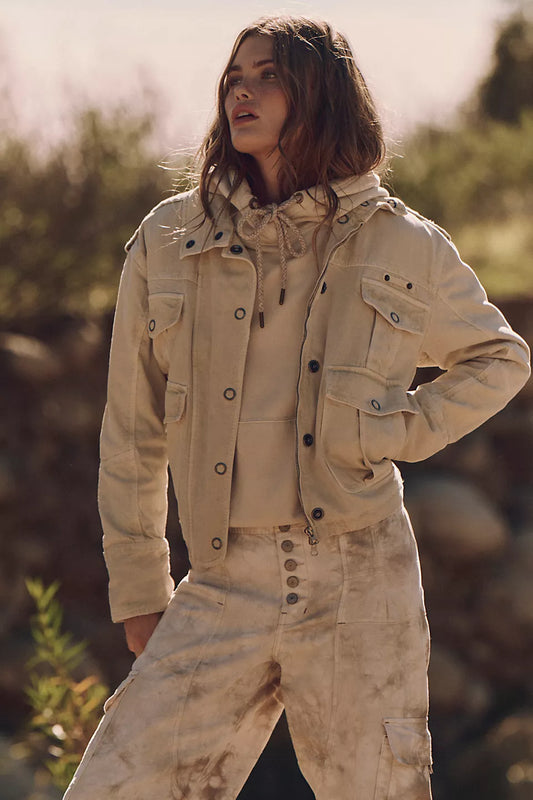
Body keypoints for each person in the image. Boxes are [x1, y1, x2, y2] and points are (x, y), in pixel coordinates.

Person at [63, 15, 530, 800]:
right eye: (232, 78)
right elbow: (133, 429)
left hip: (359, 575)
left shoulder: (402, 243)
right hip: (222, 575)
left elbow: (498, 357)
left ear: (321, 95)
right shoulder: (168, 239)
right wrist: (141, 588)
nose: (240, 92)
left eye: (268, 76)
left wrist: (398, 428)